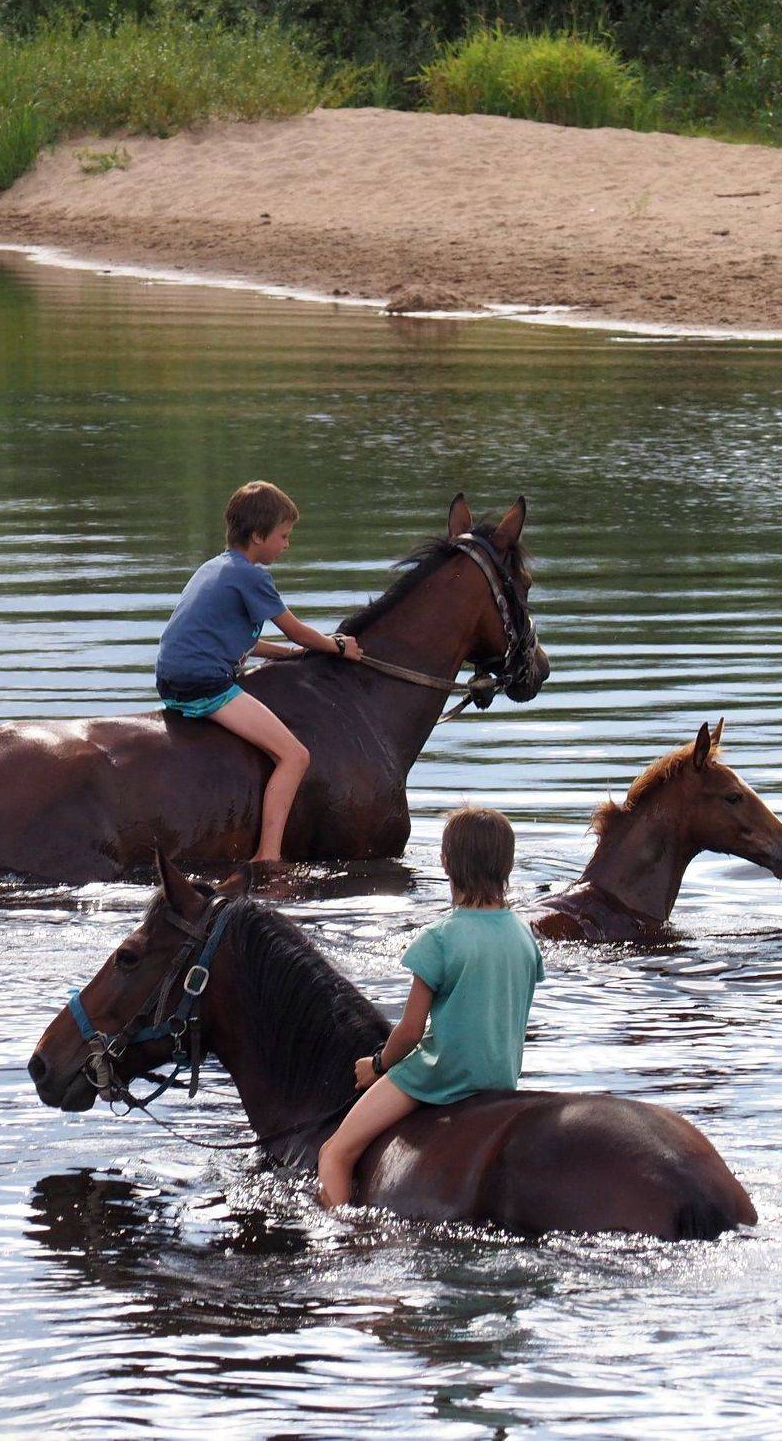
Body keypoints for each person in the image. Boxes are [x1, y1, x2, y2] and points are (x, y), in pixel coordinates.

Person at [318, 805, 545, 1209]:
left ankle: (339, 1235)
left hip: (440, 1078)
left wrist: (378, 1066)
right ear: (508, 865)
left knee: (335, 1153)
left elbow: (409, 1032)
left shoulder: (439, 938)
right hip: (500, 1079)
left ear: (445, 862)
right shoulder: (524, 935)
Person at [156, 480, 361, 863]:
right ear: (257, 536)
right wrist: (337, 646)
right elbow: (296, 629)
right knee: (295, 756)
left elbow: (238, 641)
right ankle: (268, 856)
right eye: (283, 536)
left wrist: (288, 655)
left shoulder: (214, 567)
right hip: (205, 685)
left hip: (171, 681)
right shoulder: (252, 576)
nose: (287, 544)